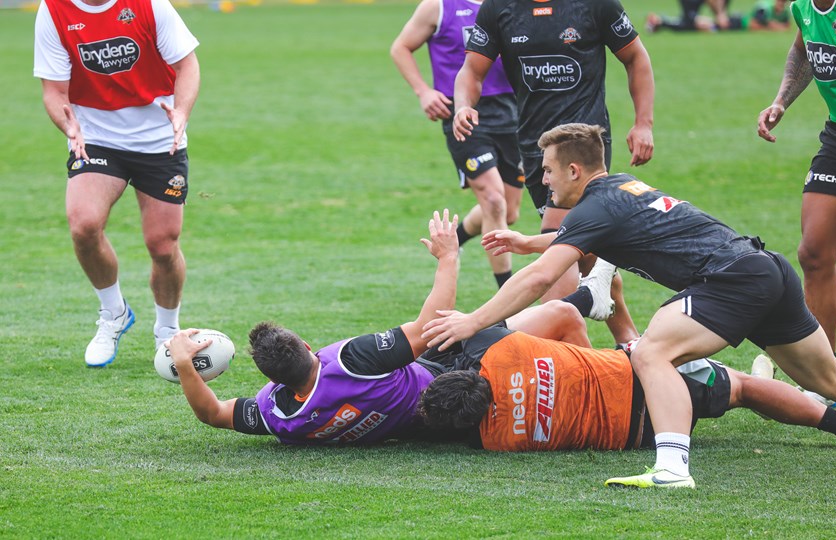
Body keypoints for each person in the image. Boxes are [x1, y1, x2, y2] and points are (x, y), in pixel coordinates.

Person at [422, 123, 836, 488]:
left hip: (731, 279)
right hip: (766, 269)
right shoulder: (617, 190)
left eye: (548, 170)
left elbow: (539, 278)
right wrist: (530, 241)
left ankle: (673, 469)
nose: (543, 179)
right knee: (830, 383)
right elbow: (592, 235)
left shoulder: (594, 207)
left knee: (652, 351)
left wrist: (472, 321)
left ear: (573, 170)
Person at [165, 210, 600, 444]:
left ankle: (593, 303)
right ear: (306, 344)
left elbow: (213, 413)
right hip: (448, 375)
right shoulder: (350, 361)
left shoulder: (280, 416)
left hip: (426, 429)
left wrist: (186, 365)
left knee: (542, 320)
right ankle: (610, 365)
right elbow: (429, 326)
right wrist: (449, 258)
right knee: (562, 316)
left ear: (271, 378)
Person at [450, 0, 654, 345]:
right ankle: (630, 343)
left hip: (582, 146)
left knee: (559, 255)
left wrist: (643, 123)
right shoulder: (499, 8)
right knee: (587, 256)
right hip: (534, 149)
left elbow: (635, 57)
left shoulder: (594, 5)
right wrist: (463, 106)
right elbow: (471, 70)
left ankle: (571, 364)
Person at [418, 327, 836, 477]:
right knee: (744, 388)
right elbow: (563, 315)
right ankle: (831, 421)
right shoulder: (499, 350)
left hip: (639, 435)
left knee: (738, 389)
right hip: (648, 383)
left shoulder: (489, 442)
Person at [33, 0, 200, 367]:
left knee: (162, 244)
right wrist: (69, 126)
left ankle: (167, 332)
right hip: (95, 138)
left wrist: (182, 113)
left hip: (160, 139)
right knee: (84, 224)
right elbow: (53, 90)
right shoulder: (54, 10)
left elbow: (187, 65)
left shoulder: (150, 5)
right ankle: (113, 314)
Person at [391, 0, 524, 288]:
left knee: (508, 211)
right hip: (462, 112)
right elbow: (400, 47)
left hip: (513, 110)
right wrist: (423, 91)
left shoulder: (510, 4)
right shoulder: (438, 6)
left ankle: (460, 236)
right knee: (493, 199)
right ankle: (508, 299)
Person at [757, 0, 836, 354]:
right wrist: (781, 101)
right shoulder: (802, 7)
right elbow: (803, 51)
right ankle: (827, 375)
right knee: (814, 253)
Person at [646, 0, 790, 33]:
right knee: (689, 24)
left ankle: (659, 21)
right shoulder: (765, 8)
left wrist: (720, 15)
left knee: (694, 25)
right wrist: (720, 15)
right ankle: (658, 20)